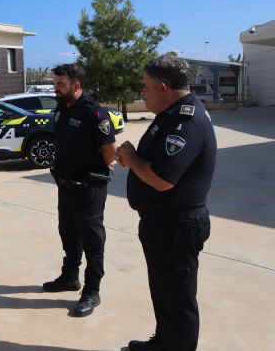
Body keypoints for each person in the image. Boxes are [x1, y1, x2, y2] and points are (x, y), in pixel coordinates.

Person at [116, 55, 216, 351]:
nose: (142, 92)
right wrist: (134, 160)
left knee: (178, 299)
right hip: (163, 224)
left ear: (162, 86)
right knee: (165, 292)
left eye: (146, 86)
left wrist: (133, 159)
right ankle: (163, 342)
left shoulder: (186, 122)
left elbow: (163, 179)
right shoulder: (171, 114)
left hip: (176, 227)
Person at [44, 64, 116, 317]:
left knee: (93, 241)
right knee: (68, 233)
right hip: (66, 187)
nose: (56, 87)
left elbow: (110, 152)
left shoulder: (93, 113)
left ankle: (92, 290)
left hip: (89, 189)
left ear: (76, 85)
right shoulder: (61, 109)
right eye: (55, 83)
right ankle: (69, 277)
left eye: (60, 84)